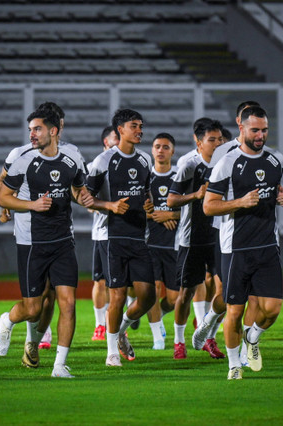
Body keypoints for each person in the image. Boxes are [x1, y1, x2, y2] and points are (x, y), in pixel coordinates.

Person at [0, 107, 87, 378]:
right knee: (36, 306)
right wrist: (22, 206)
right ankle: (8, 320)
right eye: (31, 129)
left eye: (37, 128)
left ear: (56, 128)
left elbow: (78, 190)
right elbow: (3, 189)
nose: (32, 134)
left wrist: (91, 202)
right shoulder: (21, 157)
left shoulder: (72, 155)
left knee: (65, 303)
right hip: (30, 240)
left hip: (62, 240)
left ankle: (56, 363)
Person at [203, 105, 283, 380]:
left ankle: (252, 338)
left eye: (264, 130)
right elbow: (208, 206)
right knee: (235, 311)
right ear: (241, 127)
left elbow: (273, 189)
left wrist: (280, 197)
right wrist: (240, 202)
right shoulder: (226, 163)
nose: (260, 135)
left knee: (272, 309)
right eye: (255, 130)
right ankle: (234, 365)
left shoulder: (276, 159)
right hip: (235, 247)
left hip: (267, 245)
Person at [83, 108, 156, 367]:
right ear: (120, 131)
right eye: (134, 126)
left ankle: (122, 327)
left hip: (138, 236)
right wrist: (110, 206)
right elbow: (86, 199)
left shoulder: (145, 160)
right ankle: (111, 352)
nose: (140, 130)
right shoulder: (103, 161)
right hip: (111, 237)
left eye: (141, 125)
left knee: (148, 296)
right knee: (116, 296)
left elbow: (147, 193)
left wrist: (149, 204)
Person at [192, 101, 260, 365]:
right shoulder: (224, 153)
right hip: (227, 234)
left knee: (255, 296)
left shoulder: (270, 155)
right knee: (230, 296)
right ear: (240, 123)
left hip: (260, 235)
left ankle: (244, 353)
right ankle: (209, 321)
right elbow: (214, 195)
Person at [167, 117, 224, 360]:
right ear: (198, 142)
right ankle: (179, 341)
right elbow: (171, 200)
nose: (217, 144)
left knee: (223, 290)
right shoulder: (189, 165)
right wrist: (195, 195)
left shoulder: (227, 162)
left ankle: (208, 335)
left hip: (220, 236)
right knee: (186, 293)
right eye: (212, 140)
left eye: (220, 139)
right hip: (192, 239)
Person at [146, 133, 181, 350]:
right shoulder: (144, 177)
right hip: (149, 244)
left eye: (165, 147)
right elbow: (136, 209)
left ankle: (157, 314)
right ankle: (157, 336)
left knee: (174, 298)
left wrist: (171, 215)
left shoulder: (179, 177)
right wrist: (156, 214)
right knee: (153, 289)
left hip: (174, 244)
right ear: (152, 150)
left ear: (172, 151)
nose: (160, 150)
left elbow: (189, 207)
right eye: (157, 146)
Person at [91, 126, 119, 341]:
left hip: (126, 234)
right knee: (101, 282)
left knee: (120, 284)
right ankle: (100, 324)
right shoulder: (96, 165)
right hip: (103, 232)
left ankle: (119, 322)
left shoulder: (133, 163)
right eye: (114, 139)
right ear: (105, 143)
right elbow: (88, 203)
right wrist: (110, 205)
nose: (118, 143)